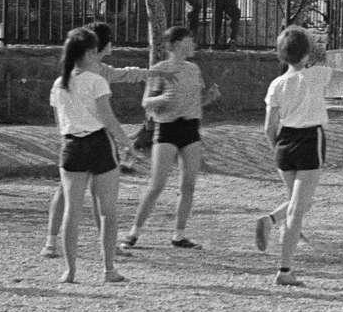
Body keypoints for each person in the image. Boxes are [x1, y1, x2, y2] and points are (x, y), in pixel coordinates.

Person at [39, 21, 174, 259]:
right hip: (92, 140)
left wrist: (154, 72)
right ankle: (52, 241)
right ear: (99, 46)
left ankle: (103, 247)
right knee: (78, 196)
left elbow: (128, 74)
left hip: (75, 142)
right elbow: (108, 113)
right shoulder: (91, 76)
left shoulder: (92, 72)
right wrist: (125, 141)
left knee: (86, 198)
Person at [251, 26, 343, 284]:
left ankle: (270, 221)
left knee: (299, 204)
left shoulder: (276, 84)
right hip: (309, 140)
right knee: (297, 209)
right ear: (306, 53)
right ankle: (284, 270)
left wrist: (278, 150)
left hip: (284, 143)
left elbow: (268, 128)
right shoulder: (316, 74)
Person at [122, 25, 219, 250]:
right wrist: (162, 97)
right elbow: (146, 102)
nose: (193, 44)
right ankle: (133, 233)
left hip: (190, 129)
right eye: (189, 39)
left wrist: (209, 99)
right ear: (176, 44)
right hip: (166, 129)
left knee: (189, 185)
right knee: (156, 185)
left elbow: (196, 102)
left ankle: (179, 235)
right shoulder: (160, 69)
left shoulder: (194, 69)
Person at [50, 26, 134, 285]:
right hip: (98, 144)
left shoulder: (60, 82)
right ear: (88, 51)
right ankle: (109, 269)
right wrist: (126, 142)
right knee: (108, 210)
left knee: (71, 212)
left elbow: (59, 123)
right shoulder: (96, 80)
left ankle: (70, 270)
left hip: (71, 146)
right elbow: (107, 118)